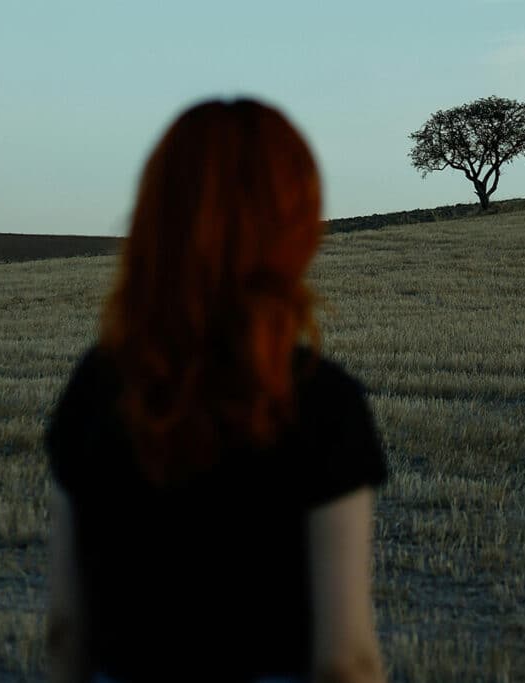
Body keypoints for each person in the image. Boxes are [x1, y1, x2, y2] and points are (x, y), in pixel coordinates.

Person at [43, 97, 388, 683]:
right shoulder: (323, 402)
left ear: (156, 218)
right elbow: (345, 662)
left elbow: (66, 632)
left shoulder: (98, 388)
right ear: (295, 225)